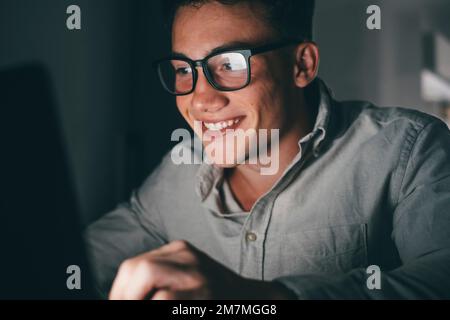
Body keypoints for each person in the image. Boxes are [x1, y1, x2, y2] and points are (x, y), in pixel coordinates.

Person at [85, 0, 450, 299]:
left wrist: (261, 299)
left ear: (301, 64)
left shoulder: (408, 148)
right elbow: (78, 261)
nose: (200, 100)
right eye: (184, 70)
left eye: (229, 64)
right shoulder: (176, 172)